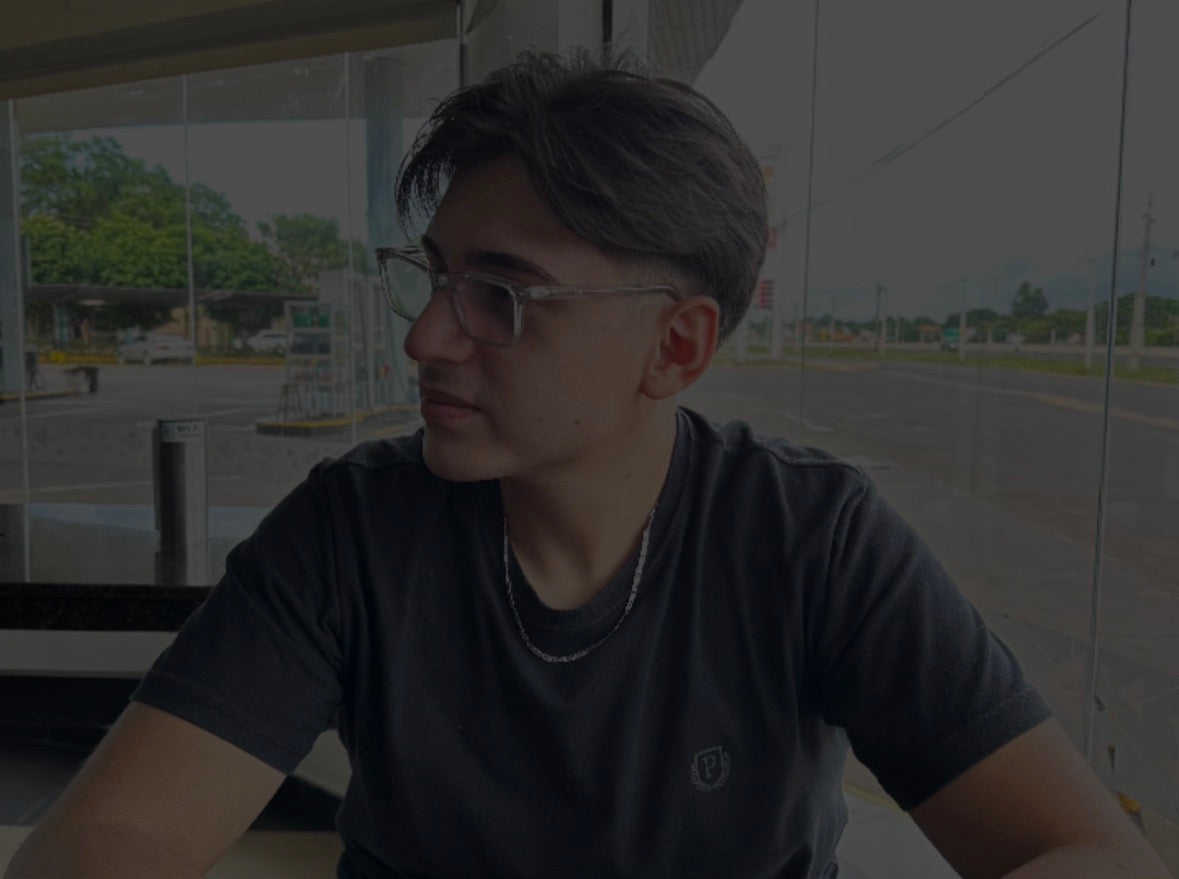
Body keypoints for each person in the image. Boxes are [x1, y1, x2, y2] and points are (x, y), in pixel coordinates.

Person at [7, 49, 1172, 879]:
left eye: (501, 296)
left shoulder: (809, 538)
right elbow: (115, 835)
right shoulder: (352, 531)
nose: (427, 337)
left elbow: (1087, 850)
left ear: (676, 347)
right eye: (434, 278)